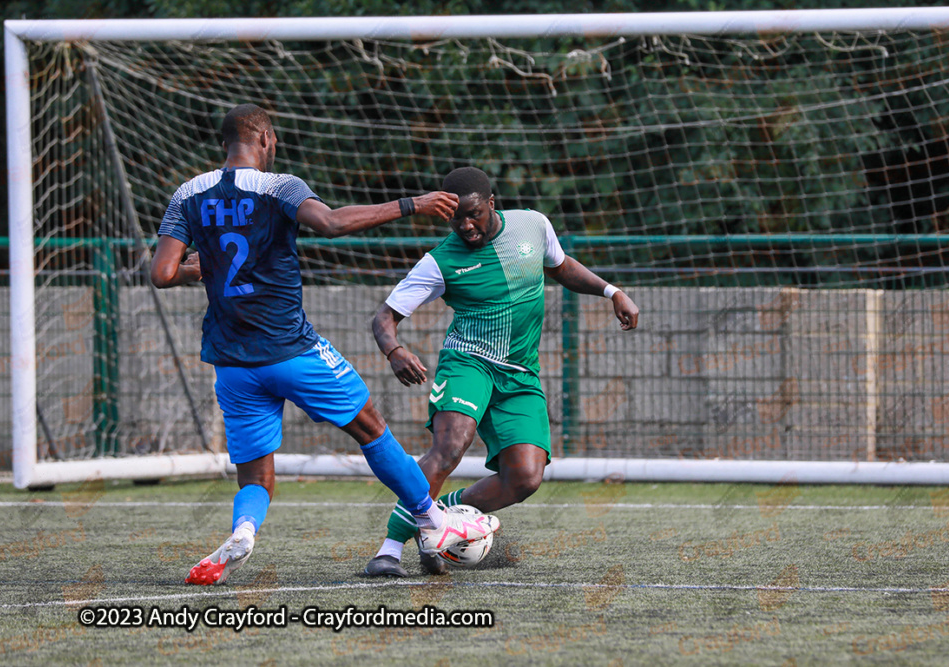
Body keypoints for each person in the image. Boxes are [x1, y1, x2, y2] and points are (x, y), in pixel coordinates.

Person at [149, 104, 499, 586]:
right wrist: (409, 205)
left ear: (223, 145)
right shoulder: (280, 186)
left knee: (254, 473)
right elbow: (331, 223)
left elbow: (161, 273)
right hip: (291, 349)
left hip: (230, 362)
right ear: (266, 140)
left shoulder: (187, 194)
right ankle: (434, 521)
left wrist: (201, 267)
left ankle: (245, 531)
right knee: (371, 428)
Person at [364, 166, 639, 577]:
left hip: (520, 376)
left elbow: (561, 267)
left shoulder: (532, 225)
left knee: (525, 477)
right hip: (469, 363)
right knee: (450, 447)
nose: (466, 225)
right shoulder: (440, 261)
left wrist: (611, 291)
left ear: (492, 203)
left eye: (474, 213)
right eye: (456, 218)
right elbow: (384, 318)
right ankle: (388, 550)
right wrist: (395, 350)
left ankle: (443, 516)